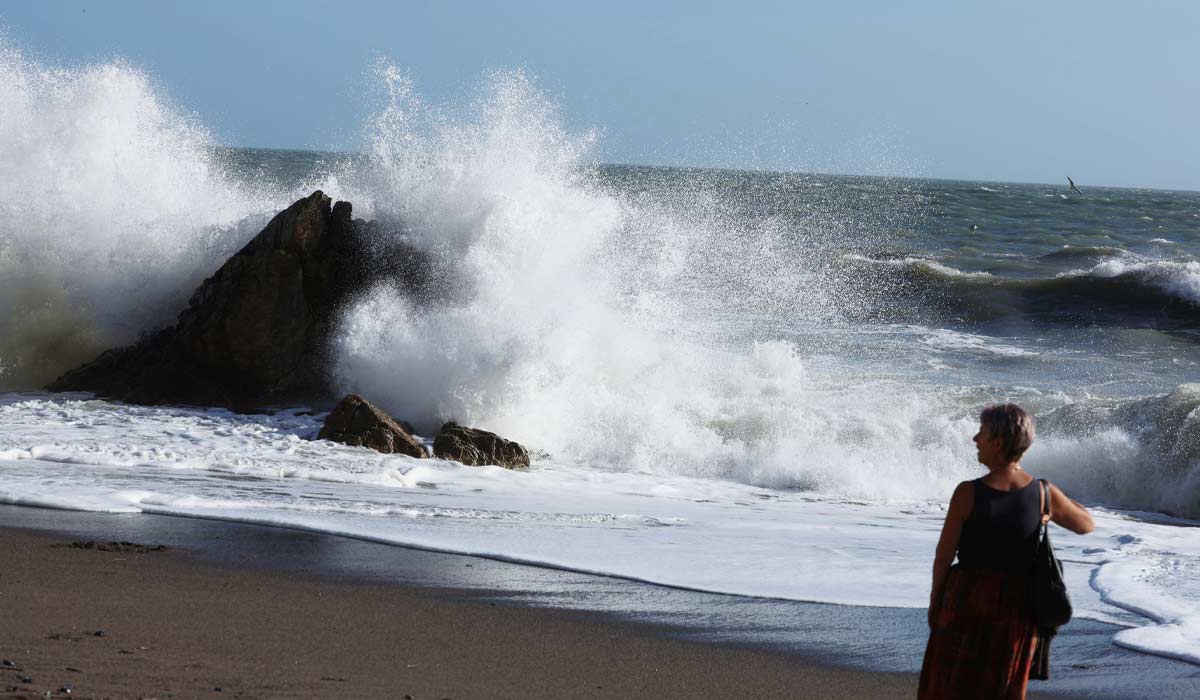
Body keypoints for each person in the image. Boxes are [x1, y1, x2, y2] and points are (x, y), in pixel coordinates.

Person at [918, 404, 1094, 700]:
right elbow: (1086, 524)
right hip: (1016, 606)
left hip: (965, 599)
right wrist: (1050, 505)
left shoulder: (967, 492)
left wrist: (936, 601)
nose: (975, 439)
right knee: (1001, 687)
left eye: (982, 434)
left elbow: (943, 555)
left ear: (997, 443)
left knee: (949, 686)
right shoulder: (1042, 493)